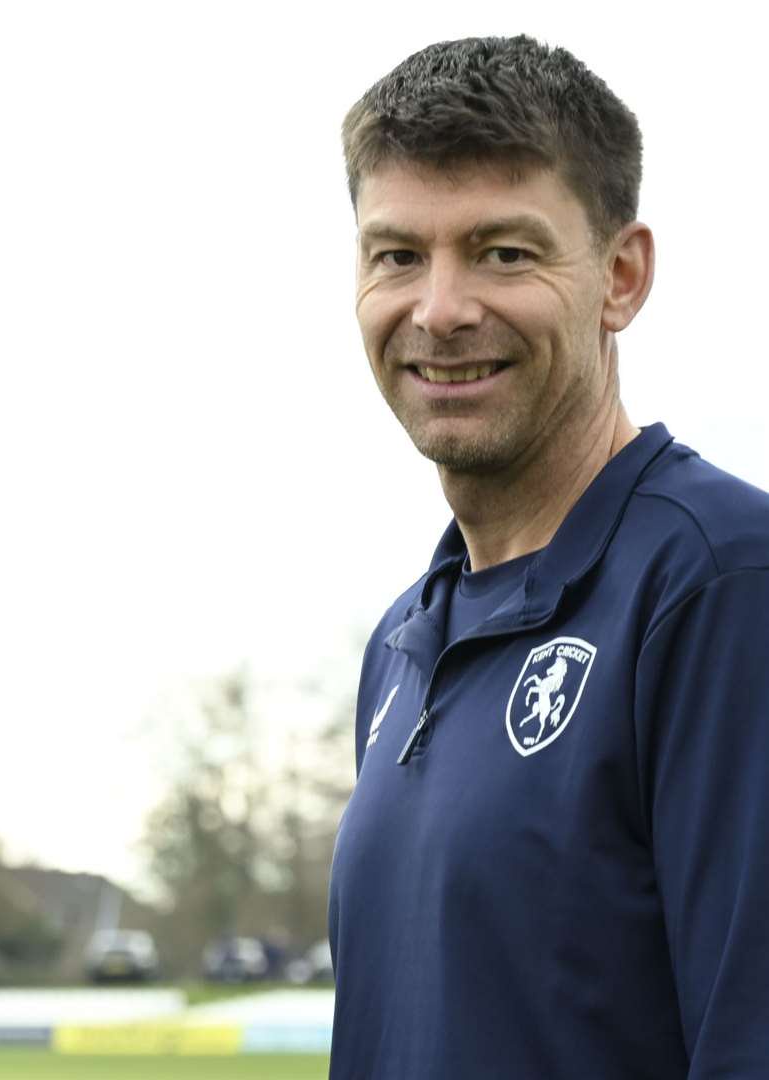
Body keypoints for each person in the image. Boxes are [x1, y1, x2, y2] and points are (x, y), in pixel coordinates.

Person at [327, 36, 769, 1078]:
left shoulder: (723, 586)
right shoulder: (400, 645)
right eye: (397, 255)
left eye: (504, 253)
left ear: (621, 276)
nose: (440, 309)